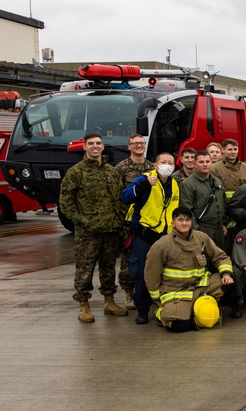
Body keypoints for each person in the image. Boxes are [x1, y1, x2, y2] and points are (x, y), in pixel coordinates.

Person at [59, 133, 129, 323]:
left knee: (108, 268)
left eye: (98, 143)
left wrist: (121, 218)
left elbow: (120, 198)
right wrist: (81, 221)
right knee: (85, 270)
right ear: (84, 147)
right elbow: (65, 202)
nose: (95, 146)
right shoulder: (76, 172)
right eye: (91, 143)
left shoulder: (112, 172)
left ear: (103, 146)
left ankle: (109, 301)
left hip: (111, 229)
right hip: (88, 232)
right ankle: (84, 305)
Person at [144, 206, 233, 331]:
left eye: (187, 220)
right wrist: (157, 300)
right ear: (173, 223)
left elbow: (220, 256)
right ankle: (162, 313)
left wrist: (226, 274)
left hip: (200, 286)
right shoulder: (162, 245)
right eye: (180, 220)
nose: (184, 223)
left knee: (229, 284)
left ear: (191, 222)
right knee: (178, 326)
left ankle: (201, 307)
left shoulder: (201, 238)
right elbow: (151, 274)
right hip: (176, 292)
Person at [123, 151, 181, 324]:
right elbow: (125, 197)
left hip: (165, 237)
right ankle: (142, 309)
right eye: (164, 162)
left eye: (170, 163)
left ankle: (161, 307)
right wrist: (143, 186)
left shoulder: (175, 184)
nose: (167, 165)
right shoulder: (145, 179)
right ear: (155, 165)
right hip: (144, 235)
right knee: (142, 273)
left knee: (165, 274)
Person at [114, 133, 154, 311]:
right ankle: (129, 292)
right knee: (128, 259)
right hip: (128, 223)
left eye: (141, 143)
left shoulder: (152, 167)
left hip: (149, 222)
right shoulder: (121, 168)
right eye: (135, 143)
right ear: (129, 146)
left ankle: (147, 291)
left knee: (149, 258)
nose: (139, 145)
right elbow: (118, 197)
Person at [179, 150, 227, 249]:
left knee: (219, 259)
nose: (205, 165)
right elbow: (187, 210)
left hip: (219, 229)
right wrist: (196, 230)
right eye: (201, 162)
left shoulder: (217, 181)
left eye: (208, 162)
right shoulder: (188, 184)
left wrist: (223, 224)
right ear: (195, 164)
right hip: (202, 228)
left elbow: (223, 203)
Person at [212, 138, 246, 204]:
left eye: (235, 149)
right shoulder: (214, 168)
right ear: (223, 150)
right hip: (224, 207)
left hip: (243, 207)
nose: (233, 152)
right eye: (230, 149)